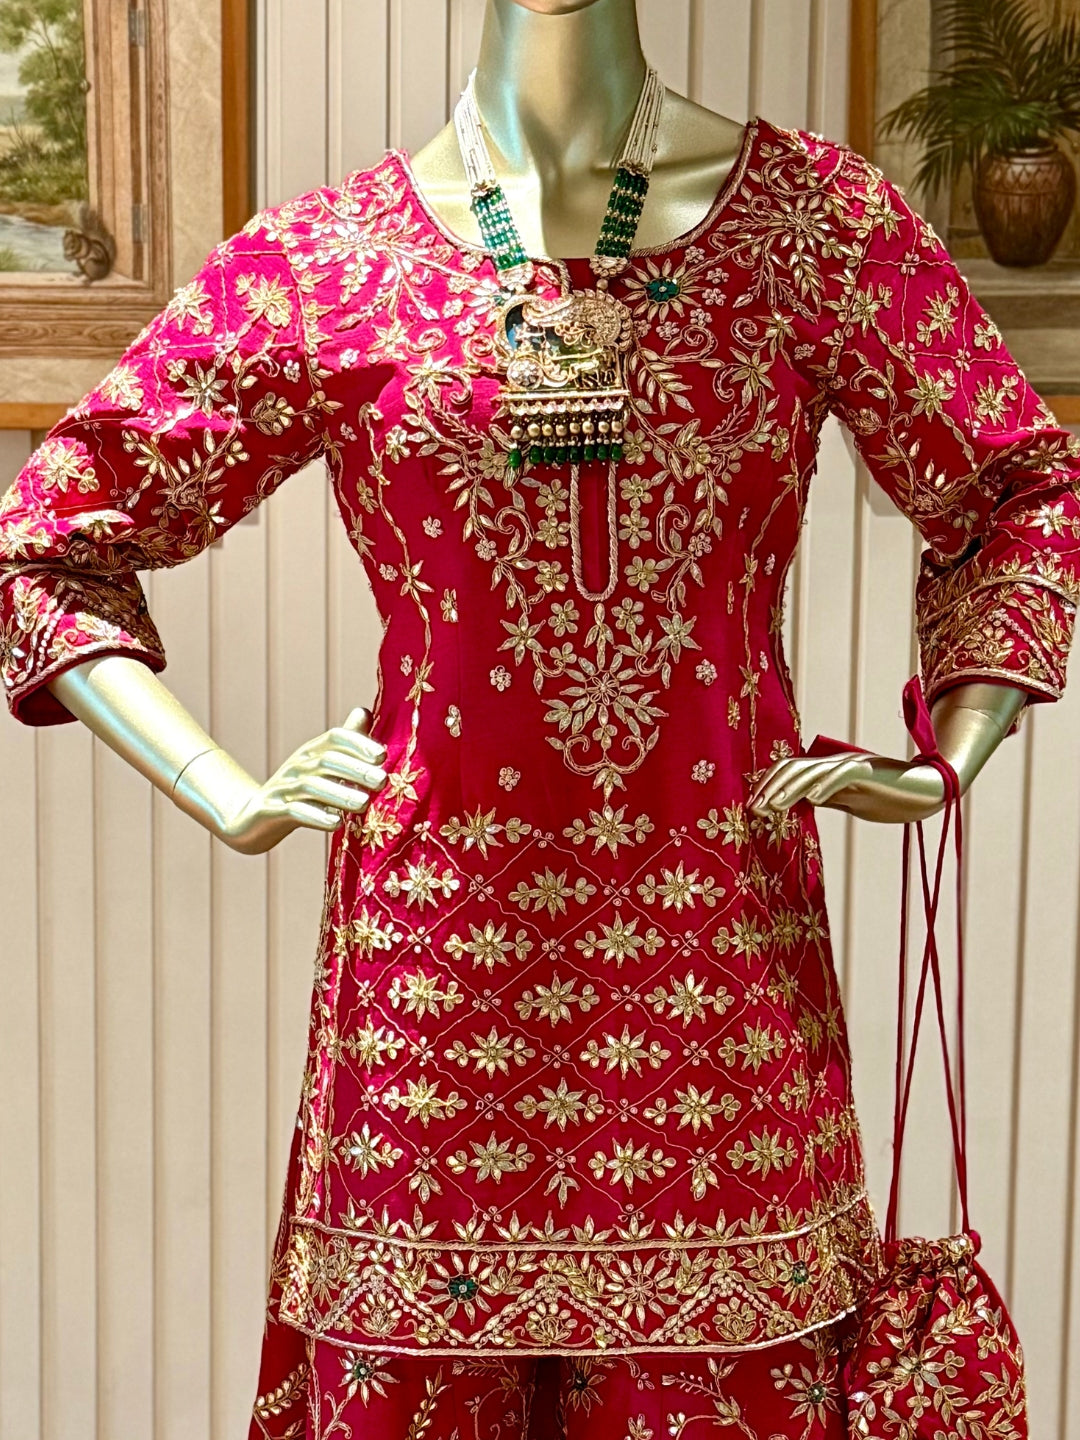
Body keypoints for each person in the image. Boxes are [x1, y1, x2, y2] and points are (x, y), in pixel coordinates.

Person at [2, 0, 1079, 1435]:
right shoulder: (332, 260)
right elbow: (51, 541)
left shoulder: (817, 226)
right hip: (434, 1000)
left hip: (719, 986)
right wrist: (224, 787)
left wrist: (951, 753)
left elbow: (1019, 492)